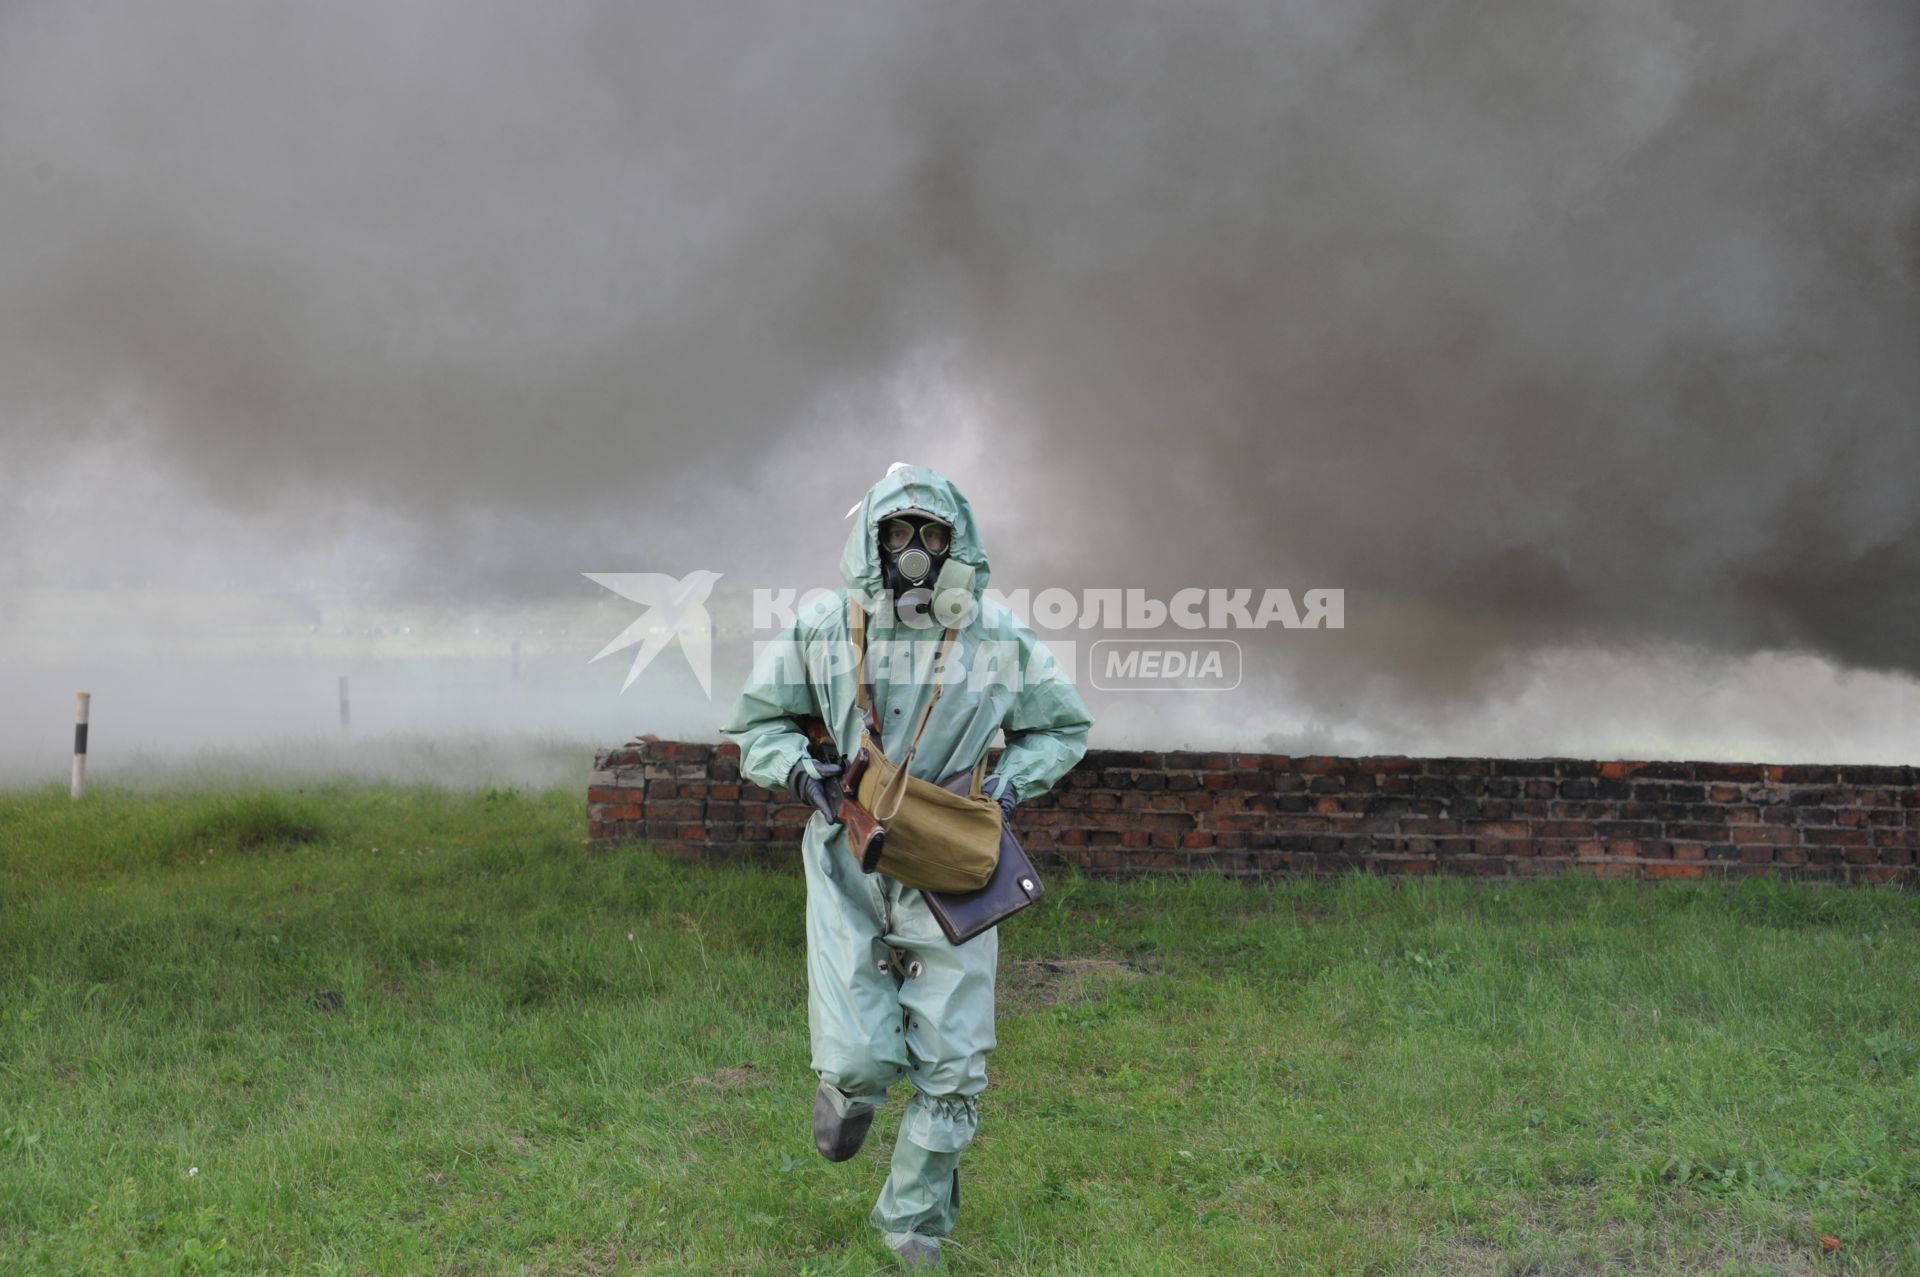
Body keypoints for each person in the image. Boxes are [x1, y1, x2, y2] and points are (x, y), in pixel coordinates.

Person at [721, 464, 1092, 1269]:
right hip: (852, 852)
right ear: (872, 539)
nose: (915, 551)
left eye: (931, 535)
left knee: (955, 1065)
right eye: (900, 533)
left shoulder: (993, 634)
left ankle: (912, 1223)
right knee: (859, 1056)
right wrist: (800, 771)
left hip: (955, 854)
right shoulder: (824, 624)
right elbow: (759, 721)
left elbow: (1063, 725)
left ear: (956, 545)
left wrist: (1006, 786)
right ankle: (848, 1093)